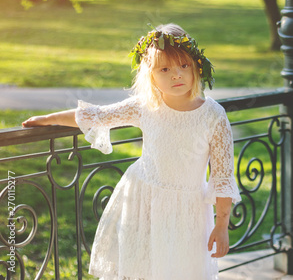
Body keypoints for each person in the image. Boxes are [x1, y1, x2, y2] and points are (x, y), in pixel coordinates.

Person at [22, 23, 241, 279]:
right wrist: (48, 118)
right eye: (165, 69)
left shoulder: (213, 115)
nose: (176, 75)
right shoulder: (144, 107)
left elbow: (223, 176)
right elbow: (99, 115)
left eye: (184, 66)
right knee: (143, 267)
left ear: (196, 67)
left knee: (182, 269)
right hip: (143, 201)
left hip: (188, 209)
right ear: (151, 76)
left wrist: (222, 224)